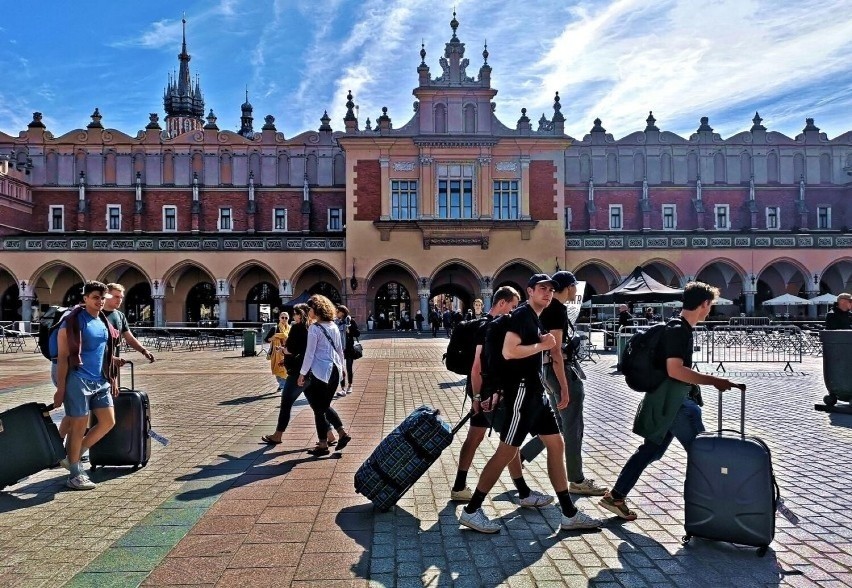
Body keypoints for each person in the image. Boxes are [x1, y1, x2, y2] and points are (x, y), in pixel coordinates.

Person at [458, 274, 603, 533]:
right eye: (542, 289)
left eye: (551, 290)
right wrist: (543, 345)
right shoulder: (523, 315)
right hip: (522, 394)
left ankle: (568, 513)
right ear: (530, 292)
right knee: (505, 452)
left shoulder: (534, 316)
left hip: (535, 393)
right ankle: (472, 510)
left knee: (556, 444)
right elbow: (509, 351)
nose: (547, 293)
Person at [598, 281, 745, 521]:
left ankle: (615, 496)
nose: (710, 310)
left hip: (666, 402)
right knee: (703, 455)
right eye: (711, 305)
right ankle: (713, 511)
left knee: (650, 451)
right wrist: (714, 380)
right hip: (677, 405)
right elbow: (675, 370)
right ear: (704, 304)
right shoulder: (680, 330)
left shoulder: (676, 326)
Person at [451, 286, 551, 508]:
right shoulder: (489, 327)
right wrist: (477, 397)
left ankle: (460, 487)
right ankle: (522, 493)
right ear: (502, 303)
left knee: (484, 438)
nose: (514, 311)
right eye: (513, 306)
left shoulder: (493, 325)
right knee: (508, 441)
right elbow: (476, 367)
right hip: (489, 394)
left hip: (486, 392)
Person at [520, 271, 607, 496]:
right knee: (573, 426)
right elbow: (556, 350)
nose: (577, 292)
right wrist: (566, 387)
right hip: (561, 371)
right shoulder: (557, 309)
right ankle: (577, 479)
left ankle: (522, 456)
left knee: (557, 424)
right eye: (575, 287)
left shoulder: (543, 309)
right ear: (568, 287)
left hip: (545, 371)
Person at [53, 281, 121, 490]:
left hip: (99, 381)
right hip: (77, 379)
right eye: (95, 298)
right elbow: (63, 357)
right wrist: (61, 389)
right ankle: (74, 473)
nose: (100, 301)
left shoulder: (102, 320)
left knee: (108, 421)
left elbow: (105, 353)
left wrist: (112, 376)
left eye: (102, 298)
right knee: (78, 426)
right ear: (85, 299)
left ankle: (73, 455)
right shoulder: (73, 321)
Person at [261, 304, 335, 445]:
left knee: (286, 404)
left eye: (294, 314)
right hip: (311, 371)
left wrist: (283, 351)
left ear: (299, 315)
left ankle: (278, 435)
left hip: (297, 373)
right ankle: (330, 434)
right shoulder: (312, 327)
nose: (293, 317)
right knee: (316, 406)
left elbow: (292, 349)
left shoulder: (297, 327)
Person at [298, 294, 352, 456]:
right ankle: (340, 434)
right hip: (335, 370)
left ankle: (324, 443)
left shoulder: (315, 328)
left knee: (319, 409)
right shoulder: (333, 326)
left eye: (310, 309)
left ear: (317, 310)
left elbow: (310, 353)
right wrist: (342, 368)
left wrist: (302, 373)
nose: (308, 312)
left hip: (320, 372)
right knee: (323, 406)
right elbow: (339, 349)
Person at [335, 305, 360, 396]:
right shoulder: (335, 322)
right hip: (339, 348)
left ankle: (350, 385)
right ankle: (342, 388)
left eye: (337, 311)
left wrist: (350, 330)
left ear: (343, 312)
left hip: (349, 348)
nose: (336, 313)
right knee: (341, 368)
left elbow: (358, 333)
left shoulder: (350, 321)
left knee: (349, 367)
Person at [268, 311, 291, 394]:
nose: (284, 319)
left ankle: (283, 385)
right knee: (277, 368)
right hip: (277, 352)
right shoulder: (275, 328)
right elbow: (267, 339)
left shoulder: (290, 328)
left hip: (287, 351)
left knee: (285, 369)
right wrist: (274, 337)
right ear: (279, 318)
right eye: (282, 317)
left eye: (286, 318)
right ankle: (282, 384)